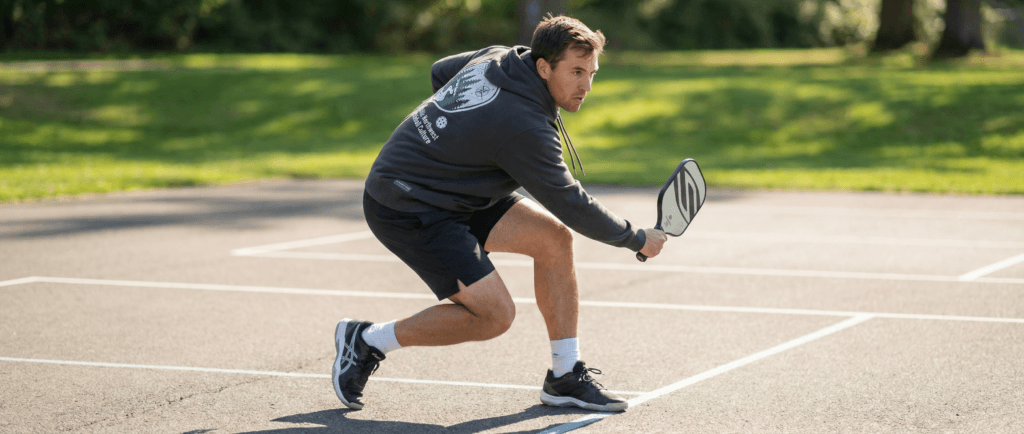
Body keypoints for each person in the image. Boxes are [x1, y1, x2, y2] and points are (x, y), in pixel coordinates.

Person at [333, 15, 667, 412]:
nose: (586, 86)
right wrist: (635, 238)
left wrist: (459, 143)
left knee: (554, 240)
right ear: (543, 67)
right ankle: (367, 340)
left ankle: (564, 378)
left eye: (592, 73)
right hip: (406, 205)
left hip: (455, 194)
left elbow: (441, 71)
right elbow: (570, 201)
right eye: (576, 72)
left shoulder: (501, 56)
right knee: (494, 316)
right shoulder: (522, 126)